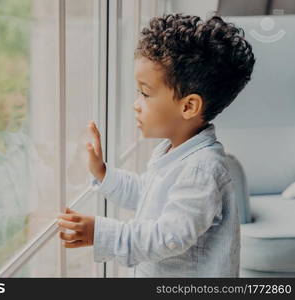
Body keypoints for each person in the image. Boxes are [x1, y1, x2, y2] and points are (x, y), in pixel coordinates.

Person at [57, 13, 255, 277]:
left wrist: (101, 233)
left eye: (146, 93)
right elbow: (148, 194)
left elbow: (169, 237)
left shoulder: (202, 170)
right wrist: (103, 173)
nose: (136, 104)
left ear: (188, 106)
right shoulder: (174, 150)